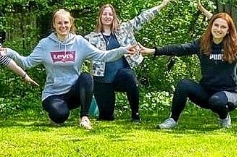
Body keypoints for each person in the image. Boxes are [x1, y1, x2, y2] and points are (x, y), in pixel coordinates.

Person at [139, 12, 237, 129]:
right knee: (184, 84)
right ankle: (173, 120)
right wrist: (153, 51)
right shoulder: (202, 43)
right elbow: (180, 48)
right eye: (216, 25)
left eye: (223, 27)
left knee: (217, 101)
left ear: (228, 30)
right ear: (211, 27)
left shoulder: (236, 44)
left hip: (228, 94)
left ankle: (224, 117)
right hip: (206, 91)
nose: (218, 29)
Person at [2, 9, 136, 130]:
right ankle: (57, 112)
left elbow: (103, 55)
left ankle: (84, 117)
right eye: (59, 23)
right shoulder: (45, 44)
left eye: (66, 22)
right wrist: (9, 52)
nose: (63, 26)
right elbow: (26, 63)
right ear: (54, 25)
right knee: (60, 116)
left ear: (71, 24)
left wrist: (123, 50)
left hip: (74, 93)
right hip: (53, 94)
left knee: (86, 77)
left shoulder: (79, 43)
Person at [85, 0, 171, 122]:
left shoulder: (123, 29)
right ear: (100, 17)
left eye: (110, 14)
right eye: (104, 14)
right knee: (106, 117)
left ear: (114, 16)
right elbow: (75, 45)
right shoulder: (91, 37)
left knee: (130, 76)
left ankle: (135, 114)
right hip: (102, 80)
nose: (107, 17)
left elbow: (141, 18)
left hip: (121, 76)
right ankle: (103, 111)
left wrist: (161, 6)